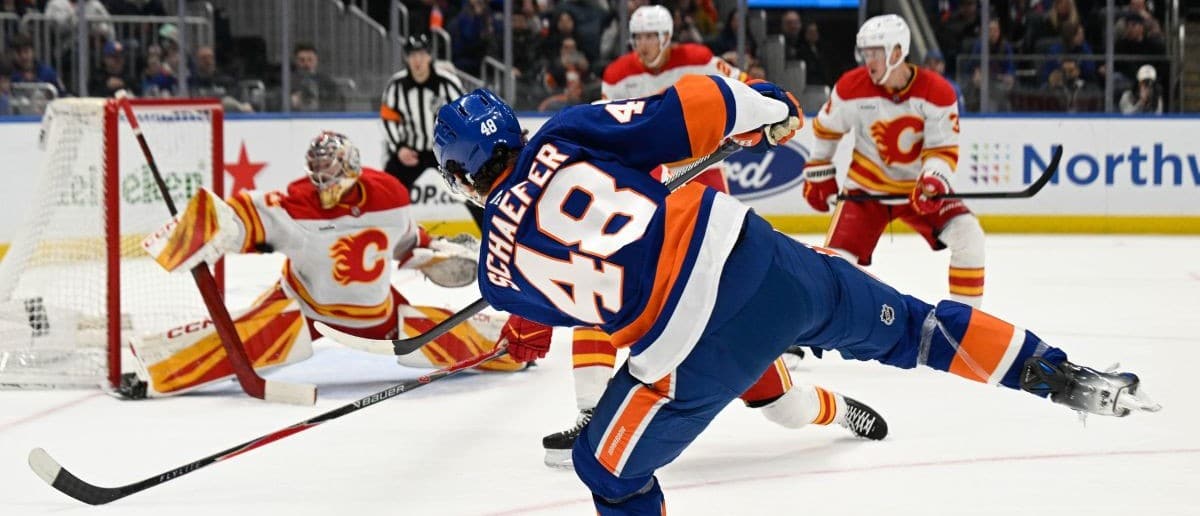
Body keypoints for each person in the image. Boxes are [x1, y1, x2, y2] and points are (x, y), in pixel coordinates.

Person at [433, 77, 1159, 513]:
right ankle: (1059, 374)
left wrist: (489, 266)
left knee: (604, 469)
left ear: (461, 178)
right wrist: (769, 108)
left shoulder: (499, 273)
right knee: (916, 327)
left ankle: (832, 406)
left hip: (690, 352)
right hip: (761, 261)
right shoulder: (563, 133)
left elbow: (584, 308)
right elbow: (692, 107)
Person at [534, 3, 881, 470]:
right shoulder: (617, 102)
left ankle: (837, 407)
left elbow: (736, 92)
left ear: (668, 36)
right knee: (595, 303)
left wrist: (760, 113)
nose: (643, 47)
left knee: (785, 407)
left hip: (708, 260)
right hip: (663, 294)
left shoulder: (696, 59)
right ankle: (593, 415)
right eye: (637, 39)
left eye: (651, 38)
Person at [119, 132, 523, 399]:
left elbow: (404, 242)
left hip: (376, 313)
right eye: (318, 178)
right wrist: (212, 226)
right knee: (239, 342)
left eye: (332, 178)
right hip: (305, 306)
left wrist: (434, 254)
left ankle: (516, 345)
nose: (324, 188)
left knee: (456, 337)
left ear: (352, 170)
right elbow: (245, 213)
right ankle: (148, 369)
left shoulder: (389, 195)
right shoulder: (299, 204)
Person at [802, 15, 986, 308]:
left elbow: (943, 149)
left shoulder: (937, 91)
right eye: (865, 53)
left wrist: (933, 180)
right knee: (835, 265)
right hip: (865, 190)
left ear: (897, 53)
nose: (868, 60)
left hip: (918, 190)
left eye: (875, 53)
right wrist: (818, 170)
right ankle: (819, 331)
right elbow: (827, 129)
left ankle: (966, 326)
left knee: (970, 237)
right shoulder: (852, 86)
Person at [380, 34, 483, 231]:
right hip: (410, 150)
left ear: (429, 56)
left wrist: (461, 149)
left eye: (421, 54)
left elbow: (464, 115)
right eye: (412, 55)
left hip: (446, 151)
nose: (417, 60)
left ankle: (490, 232)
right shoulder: (396, 86)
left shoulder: (447, 82)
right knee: (389, 192)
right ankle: (388, 234)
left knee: (470, 190)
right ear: (406, 58)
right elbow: (388, 119)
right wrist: (399, 148)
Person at [290, 42, 342, 111]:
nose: (306, 64)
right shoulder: (288, 82)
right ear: (296, 61)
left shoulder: (327, 82)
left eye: (310, 60)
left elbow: (338, 104)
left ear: (316, 60)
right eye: (302, 60)